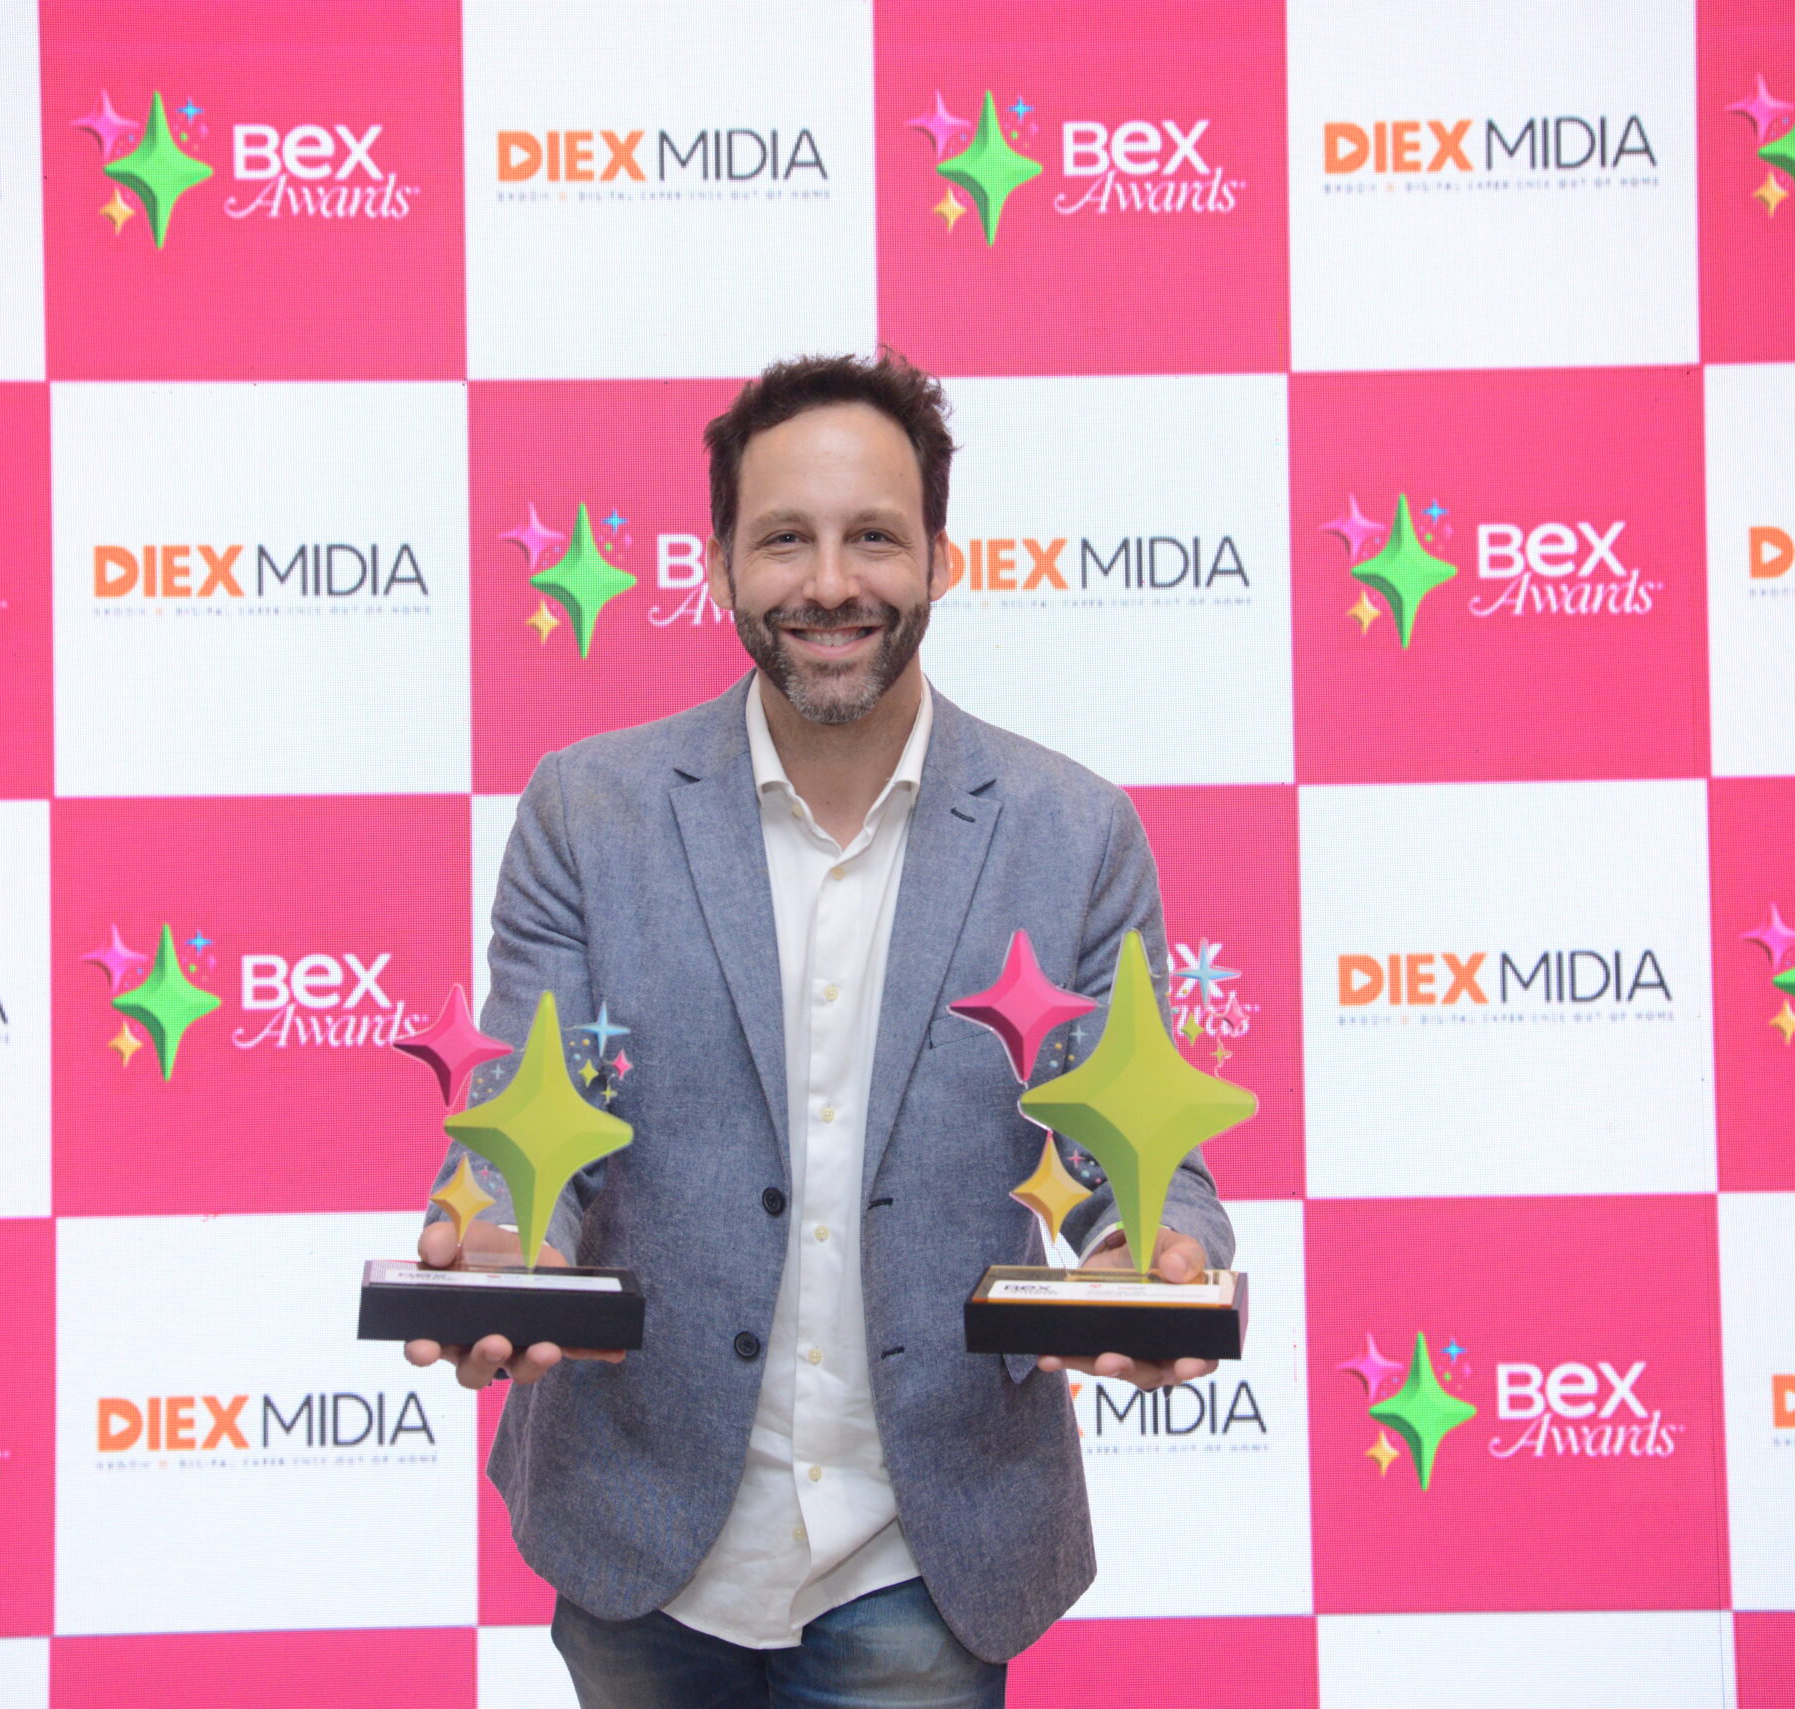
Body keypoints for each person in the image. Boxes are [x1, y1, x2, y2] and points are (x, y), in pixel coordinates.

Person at [405, 352, 1235, 1708]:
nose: (832, 583)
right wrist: (502, 1234)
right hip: (639, 1523)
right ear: (719, 567)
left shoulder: (1074, 832)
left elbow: (1130, 1147)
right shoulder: (586, 812)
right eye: (785, 538)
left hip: (925, 1547)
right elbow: (528, 1117)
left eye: (875, 538)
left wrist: (1156, 1252)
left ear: (942, 559)